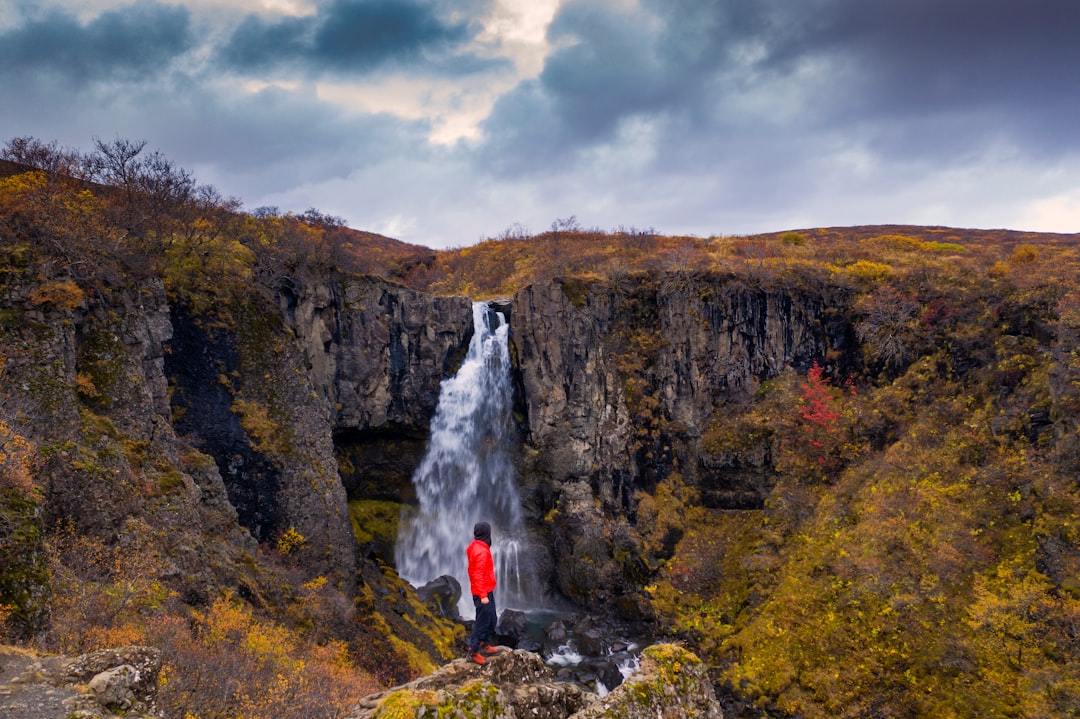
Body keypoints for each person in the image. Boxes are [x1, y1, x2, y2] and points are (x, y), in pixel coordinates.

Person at [466, 521, 501, 664]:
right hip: (482, 593)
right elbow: (477, 575)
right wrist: (483, 596)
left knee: (492, 618)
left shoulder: (477, 546)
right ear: (487, 534)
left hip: (486, 590)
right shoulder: (481, 552)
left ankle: (484, 644)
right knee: (482, 622)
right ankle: (473, 652)